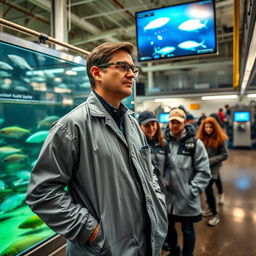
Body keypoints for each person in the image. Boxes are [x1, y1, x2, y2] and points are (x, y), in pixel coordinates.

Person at [26, 42, 168, 256]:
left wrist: (158, 204)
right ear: (97, 73)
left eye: (133, 69)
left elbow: (150, 174)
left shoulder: (131, 124)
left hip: (146, 241)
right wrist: (89, 230)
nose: (131, 74)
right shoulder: (71, 127)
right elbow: (42, 192)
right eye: (122, 67)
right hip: (105, 248)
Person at [163, 108, 211, 256]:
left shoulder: (195, 144)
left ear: (184, 123)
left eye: (178, 122)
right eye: (172, 122)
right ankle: (175, 250)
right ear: (168, 123)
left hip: (186, 197)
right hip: (168, 197)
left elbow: (204, 172)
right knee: (168, 228)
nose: (175, 126)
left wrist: (192, 190)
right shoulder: (163, 142)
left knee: (188, 230)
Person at [197, 117, 228, 226]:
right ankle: (210, 209)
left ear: (215, 128)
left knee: (208, 190)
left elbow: (225, 155)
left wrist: (209, 161)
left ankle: (215, 214)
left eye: (210, 127)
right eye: (206, 127)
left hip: (213, 168)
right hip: (203, 168)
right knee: (208, 189)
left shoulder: (221, 138)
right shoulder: (201, 138)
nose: (208, 129)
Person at [138, 110, 172, 193]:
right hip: (146, 191)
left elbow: (168, 165)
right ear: (140, 127)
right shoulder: (138, 145)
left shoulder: (163, 144)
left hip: (162, 189)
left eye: (153, 124)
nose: (151, 128)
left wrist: (165, 181)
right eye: (147, 126)